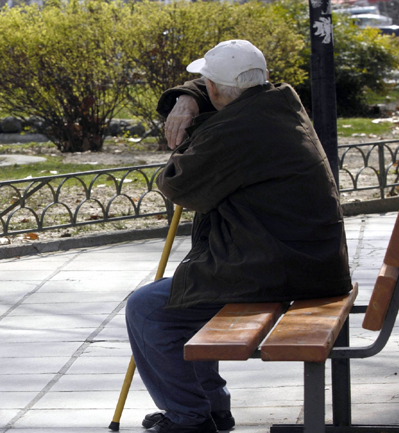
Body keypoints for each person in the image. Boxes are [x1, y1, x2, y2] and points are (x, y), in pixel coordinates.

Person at [125, 40, 352, 433]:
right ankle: (210, 408)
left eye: (204, 83)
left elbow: (178, 184)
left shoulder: (238, 129)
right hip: (306, 259)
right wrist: (188, 98)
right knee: (186, 293)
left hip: (280, 267)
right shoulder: (279, 102)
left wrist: (190, 125)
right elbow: (229, 91)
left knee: (148, 310)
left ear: (216, 91)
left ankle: (189, 417)